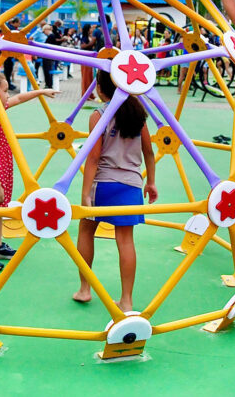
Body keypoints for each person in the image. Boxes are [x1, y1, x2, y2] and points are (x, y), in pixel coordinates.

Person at [72, 69, 158, 311]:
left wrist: (86, 192)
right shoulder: (137, 112)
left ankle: (85, 289)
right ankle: (127, 300)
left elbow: (93, 158)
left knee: (86, 230)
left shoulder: (99, 115)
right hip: (131, 184)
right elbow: (149, 152)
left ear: (100, 89)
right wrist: (150, 181)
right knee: (125, 239)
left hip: (104, 184)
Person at [0, 71, 57, 272]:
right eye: (5, 90)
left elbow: (19, 98)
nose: (9, 95)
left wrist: (42, 91)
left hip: (3, 169)